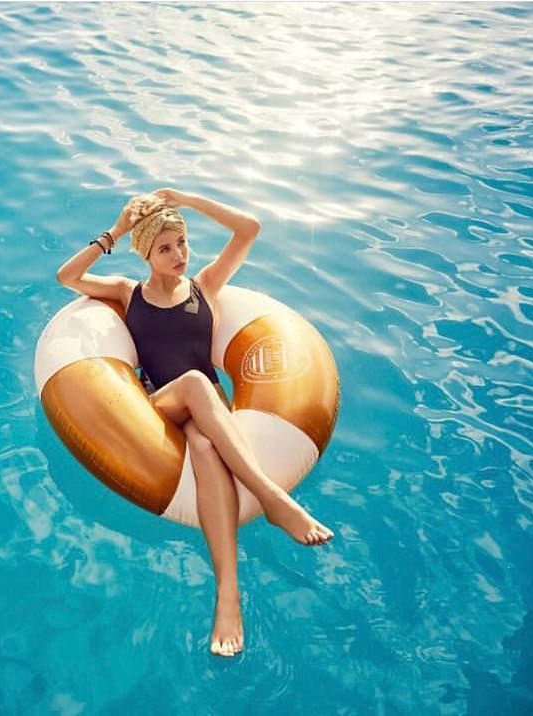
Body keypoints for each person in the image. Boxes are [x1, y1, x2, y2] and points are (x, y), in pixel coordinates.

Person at [55, 188, 334, 657]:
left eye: (182, 242)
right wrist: (117, 231)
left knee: (205, 449)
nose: (179, 254)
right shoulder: (127, 293)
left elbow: (250, 228)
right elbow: (67, 277)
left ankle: (228, 596)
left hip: (207, 417)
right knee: (195, 383)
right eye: (165, 248)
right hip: (162, 407)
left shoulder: (206, 286)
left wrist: (184, 198)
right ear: (146, 253)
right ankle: (272, 499)